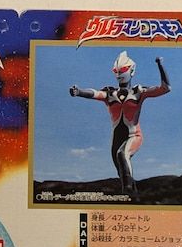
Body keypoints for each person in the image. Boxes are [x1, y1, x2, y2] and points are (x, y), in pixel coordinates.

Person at [69, 51, 169, 198]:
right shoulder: (110, 93)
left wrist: (160, 65)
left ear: (131, 70)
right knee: (122, 173)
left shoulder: (139, 92)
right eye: (115, 70)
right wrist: (79, 92)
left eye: (122, 70)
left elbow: (165, 88)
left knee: (122, 154)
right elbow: (95, 93)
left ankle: (129, 193)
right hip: (116, 140)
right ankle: (134, 198)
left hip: (134, 135)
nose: (118, 73)